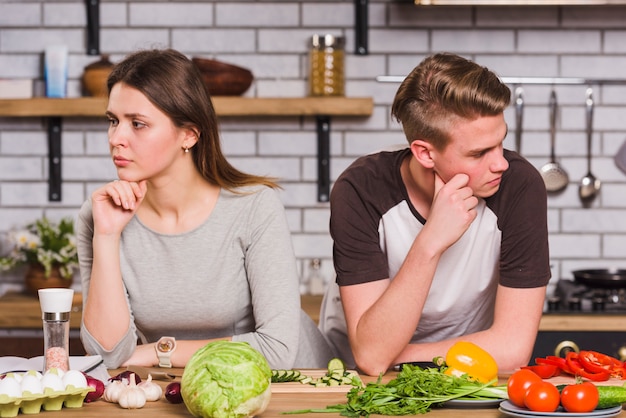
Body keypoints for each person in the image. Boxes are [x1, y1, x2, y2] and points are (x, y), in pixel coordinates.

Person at [76, 48, 333, 370]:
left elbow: (277, 348)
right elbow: (110, 354)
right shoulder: (99, 214)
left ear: (189, 134)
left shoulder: (253, 207)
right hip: (186, 386)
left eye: (137, 124)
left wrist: (161, 351)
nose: (116, 138)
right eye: (113, 121)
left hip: (293, 384)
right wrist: (107, 235)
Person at [319, 52, 551, 376]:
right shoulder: (360, 190)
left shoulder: (520, 187)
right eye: (479, 152)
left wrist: (393, 356)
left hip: (463, 376)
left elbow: (512, 351)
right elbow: (370, 360)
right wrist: (431, 241)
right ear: (425, 153)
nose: (501, 163)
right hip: (358, 381)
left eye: (500, 143)